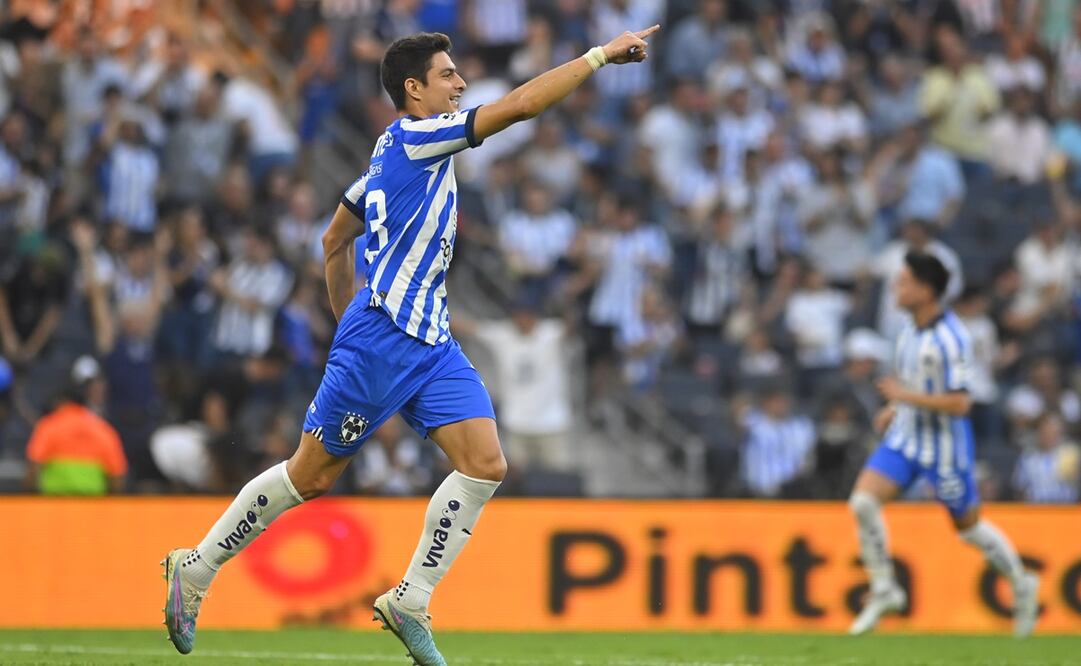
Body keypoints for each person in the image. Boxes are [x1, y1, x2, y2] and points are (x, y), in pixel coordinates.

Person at [160, 26, 660, 665]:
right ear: (414, 91)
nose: (461, 83)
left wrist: (344, 314)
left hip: (431, 340)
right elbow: (522, 107)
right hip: (384, 338)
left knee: (485, 463)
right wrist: (598, 56)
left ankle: (410, 600)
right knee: (310, 476)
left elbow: (334, 237)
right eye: (449, 75)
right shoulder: (421, 138)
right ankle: (196, 568)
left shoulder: (392, 152)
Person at [847, 251, 1039, 637]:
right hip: (906, 438)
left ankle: (1021, 582)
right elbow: (911, 381)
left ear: (925, 289)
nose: (896, 290)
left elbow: (960, 402)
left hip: (945, 449)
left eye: (903, 283)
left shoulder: (953, 339)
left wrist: (905, 397)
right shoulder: (906, 330)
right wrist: (893, 408)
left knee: (967, 529)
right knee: (863, 502)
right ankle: (884, 588)